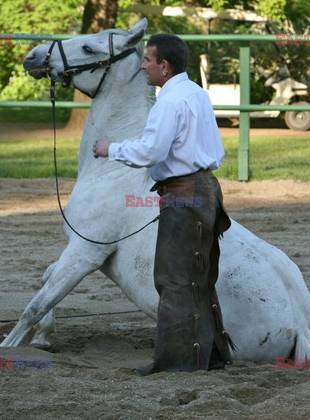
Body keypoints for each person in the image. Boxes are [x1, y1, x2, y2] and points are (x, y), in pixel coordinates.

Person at [92, 33, 234, 375]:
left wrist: (110, 148)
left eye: (147, 59)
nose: (143, 65)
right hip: (205, 190)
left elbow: (149, 152)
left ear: (164, 66)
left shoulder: (169, 102)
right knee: (198, 277)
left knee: (172, 280)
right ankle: (211, 356)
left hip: (185, 195)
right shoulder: (197, 94)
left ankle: (177, 362)